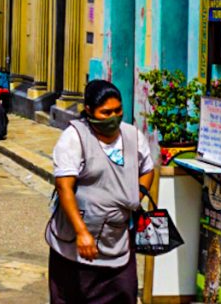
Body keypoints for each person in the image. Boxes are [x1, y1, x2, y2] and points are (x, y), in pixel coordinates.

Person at [45, 80, 155, 304]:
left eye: (118, 110)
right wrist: (81, 232)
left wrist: (138, 194)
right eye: (106, 112)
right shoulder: (74, 137)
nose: (113, 117)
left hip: (117, 244)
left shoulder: (132, 136)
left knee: (123, 295)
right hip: (75, 245)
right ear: (89, 110)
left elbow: (148, 168)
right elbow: (64, 187)